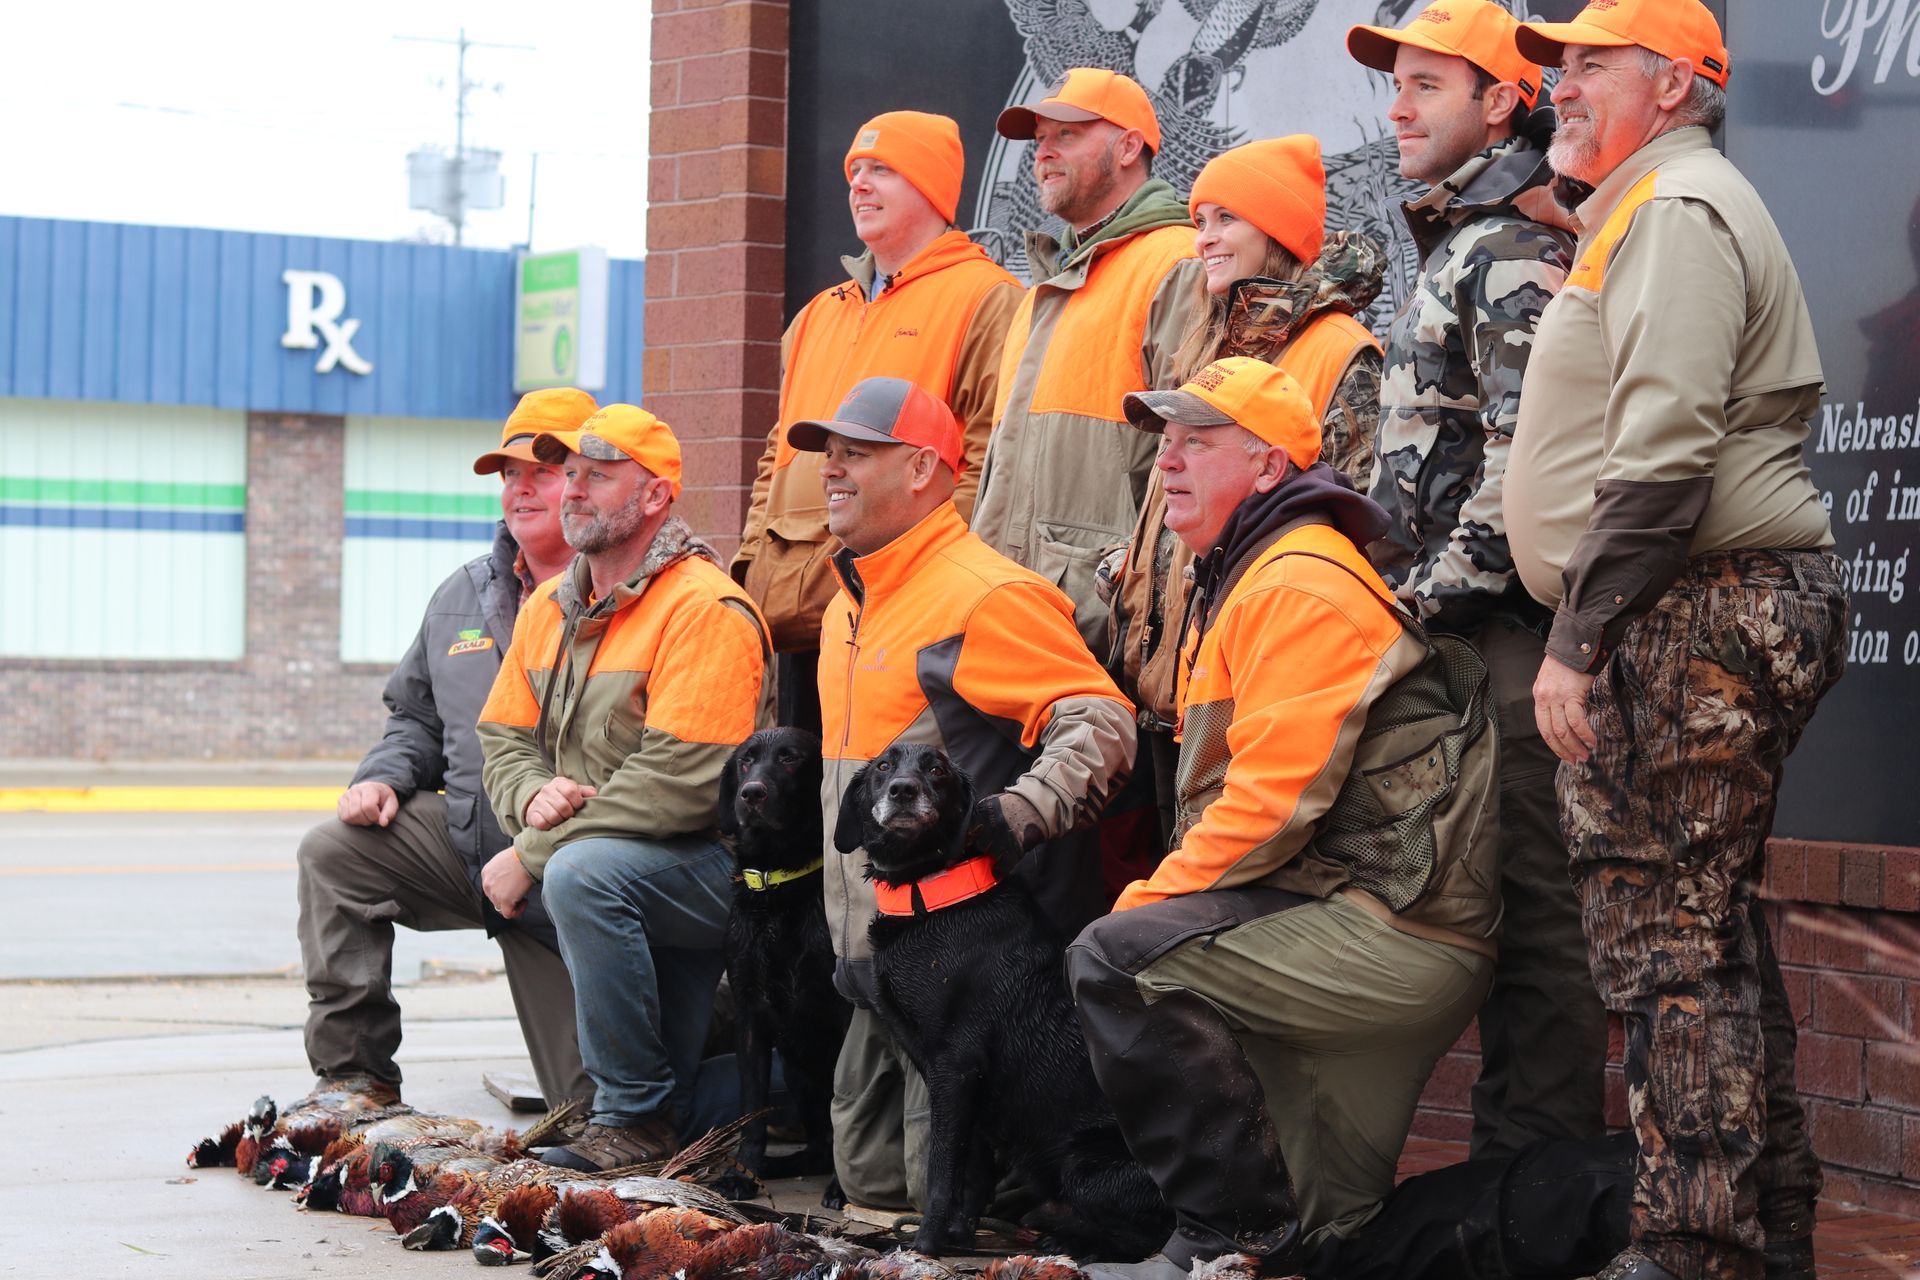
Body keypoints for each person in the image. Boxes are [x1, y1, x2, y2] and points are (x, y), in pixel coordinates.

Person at [1505, 4, 1845, 1278]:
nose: (1564, 87)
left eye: (1592, 64)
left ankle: (1694, 1248)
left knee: (1668, 948)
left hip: (1697, 606)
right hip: (1693, 604)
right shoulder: (1638, 211)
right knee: (1704, 936)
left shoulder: (1679, 209)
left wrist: (1573, 643)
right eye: (1560, 66)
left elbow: (1662, 457)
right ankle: (1772, 1232)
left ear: (1678, 85)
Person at [1066, 357, 1499, 1277]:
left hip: (1381, 931)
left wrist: (1141, 909)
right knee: (1325, 1244)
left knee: (1115, 961)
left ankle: (1220, 1241)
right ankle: (1258, 1249)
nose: (1168, 463)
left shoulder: (1295, 584)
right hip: (1375, 921)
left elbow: (1268, 812)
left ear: (1269, 469)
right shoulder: (1254, 572)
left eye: (1199, 441)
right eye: (1165, 443)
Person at [1346, 0, 1608, 1161]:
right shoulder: (1463, 234)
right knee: (1498, 907)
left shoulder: (1513, 243)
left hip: (1507, 636)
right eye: (1393, 85)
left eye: (1427, 85)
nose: (1397, 107)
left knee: (1542, 921)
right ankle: (1515, 1183)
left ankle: (1538, 1193)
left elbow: (1533, 464)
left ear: (1504, 100)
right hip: (1466, 631)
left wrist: (1416, 603)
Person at [785, 375, 1135, 1213]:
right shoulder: (848, 603)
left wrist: (1015, 815)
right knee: (868, 1183)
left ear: (922, 469)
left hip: (972, 983)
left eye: (855, 456)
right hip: (876, 969)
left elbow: (1103, 723)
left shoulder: (987, 595)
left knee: (931, 1198)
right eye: (827, 457)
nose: (831, 472)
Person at [478, 404, 772, 1172]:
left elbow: (680, 785)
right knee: (588, 869)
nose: (572, 490)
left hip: (713, 869)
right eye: (569, 473)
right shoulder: (550, 606)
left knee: (580, 873)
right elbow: (502, 737)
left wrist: (535, 847)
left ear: (655, 499)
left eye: (598, 477)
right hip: (623, 861)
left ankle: (632, 1123)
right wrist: (532, 796)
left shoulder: (704, 608)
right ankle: (668, 1111)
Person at [294, 388, 597, 1112]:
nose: (520, 487)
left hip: (572, 880)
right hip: (472, 852)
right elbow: (417, 716)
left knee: (592, 1115)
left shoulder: (635, 595)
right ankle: (355, 1079)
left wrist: (533, 860)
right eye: (507, 474)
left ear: (588, 481)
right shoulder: (462, 595)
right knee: (334, 851)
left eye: (542, 469)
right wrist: (384, 779)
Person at [1109, 133, 1385, 850]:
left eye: (1226, 219)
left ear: (1280, 232)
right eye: (1199, 221)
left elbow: (1349, 539)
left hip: (1255, 694)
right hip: (1166, 686)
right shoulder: (1201, 343)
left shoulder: (1337, 350)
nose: (1204, 238)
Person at [734, 111, 1022, 732]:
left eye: (882, 170)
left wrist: (928, 590)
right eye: (854, 172)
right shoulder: (816, 316)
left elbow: (987, 465)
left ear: (932, 187)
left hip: (899, 622)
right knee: (793, 816)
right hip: (790, 621)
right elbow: (774, 462)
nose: (859, 185)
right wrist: (750, 570)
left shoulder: (986, 298)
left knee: (882, 813)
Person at [970, 67, 1208, 659]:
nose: (1044, 152)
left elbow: (1189, 460)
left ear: (1129, 146)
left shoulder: (1176, 262)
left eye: (1067, 135)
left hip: (1104, 636)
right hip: (1012, 621)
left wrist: (1129, 601)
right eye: (1040, 139)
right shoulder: (1041, 291)